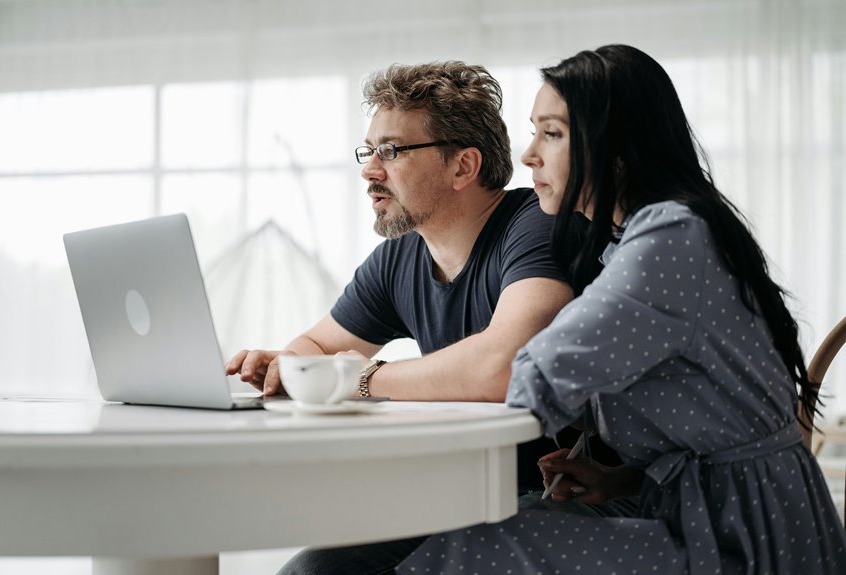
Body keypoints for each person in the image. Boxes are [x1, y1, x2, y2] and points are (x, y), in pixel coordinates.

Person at [398, 44, 846, 574]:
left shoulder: (671, 238)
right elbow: (717, 424)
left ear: (614, 147)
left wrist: (367, 380)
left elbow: (525, 375)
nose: (529, 155)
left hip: (749, 538)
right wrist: (619, 480)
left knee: (473, 547)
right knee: (497, 530)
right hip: (712, 512)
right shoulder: (647, 236)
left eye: (552, 134)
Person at [227, 61, 578, 574]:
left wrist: (361, 379)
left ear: (463, 167)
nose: (370, 170)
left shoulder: (536, 227)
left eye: (391, 151)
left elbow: (504, 367)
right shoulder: (400, 257)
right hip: (467, 494)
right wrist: (291, 367)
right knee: (313, 570)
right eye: (368, 151)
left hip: (565, 492)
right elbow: (315, 347)